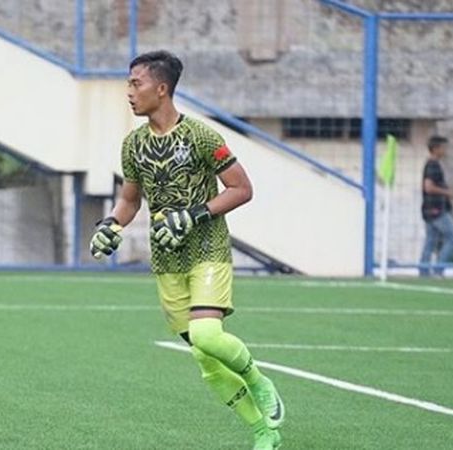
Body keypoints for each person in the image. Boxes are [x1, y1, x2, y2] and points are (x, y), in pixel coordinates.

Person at [89, 50, 283, 450]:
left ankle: (258, 381)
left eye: (135, 83)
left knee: (207, 335)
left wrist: (193, 215)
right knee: (205, 362)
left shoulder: (202, 137)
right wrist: (110, 225)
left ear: (161, 89)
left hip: (207, 248)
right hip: (166, 261)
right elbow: (129, 201)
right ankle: (264, 431)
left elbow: (242, 189)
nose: (129, 91)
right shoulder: (134, 145)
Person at [418, 135, 453, 277]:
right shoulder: (433, 165)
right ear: (435, 149)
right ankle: (438, 269)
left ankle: (423, 271)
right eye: (444, 148)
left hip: (429, 208)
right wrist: (447, 192)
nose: (446, 151)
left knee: (430, 240)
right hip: (436, 209)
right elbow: (428, 187)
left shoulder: (432, 164)